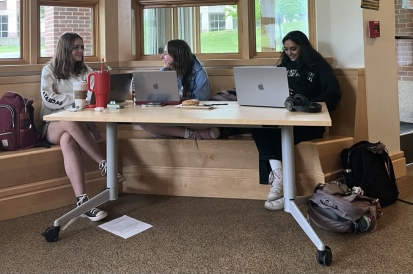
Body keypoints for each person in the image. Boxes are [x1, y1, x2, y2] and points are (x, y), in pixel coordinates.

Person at [40, 32, 125, 222]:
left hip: (79, 123)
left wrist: (85, 100)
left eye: (82, 47)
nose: (80, 51)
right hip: (52, 123)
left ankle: (83, 202)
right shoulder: (49, 70)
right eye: (76, 47)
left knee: (68, 139)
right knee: (68, 123)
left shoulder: (86, 70)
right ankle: (104, 163)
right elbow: (50, 99)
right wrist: (77, 99)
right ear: (65, 49)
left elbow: (93, 95)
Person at [253, 30, 341, 211]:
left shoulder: (318, 67)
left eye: (293, 49)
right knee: (261, 129)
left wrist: (308, 101)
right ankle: (283, 181)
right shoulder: (283, 66)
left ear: (303, 47)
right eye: (286, 49)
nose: (289, 53)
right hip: (283, 117)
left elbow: (334, 94)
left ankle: (283, 185)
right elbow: (269, 89)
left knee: (273, 134)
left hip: (308, 120)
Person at [139, 39, 220, 140]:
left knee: (202, 123)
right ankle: (188, 134)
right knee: (142, 121)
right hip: (169, 116)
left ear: (176, 55)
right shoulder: (163, 72)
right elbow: (157, 100)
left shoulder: (200, 74)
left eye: (165, 53)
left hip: (190, 117)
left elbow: (201, 103)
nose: (161, 57)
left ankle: (177, 132)